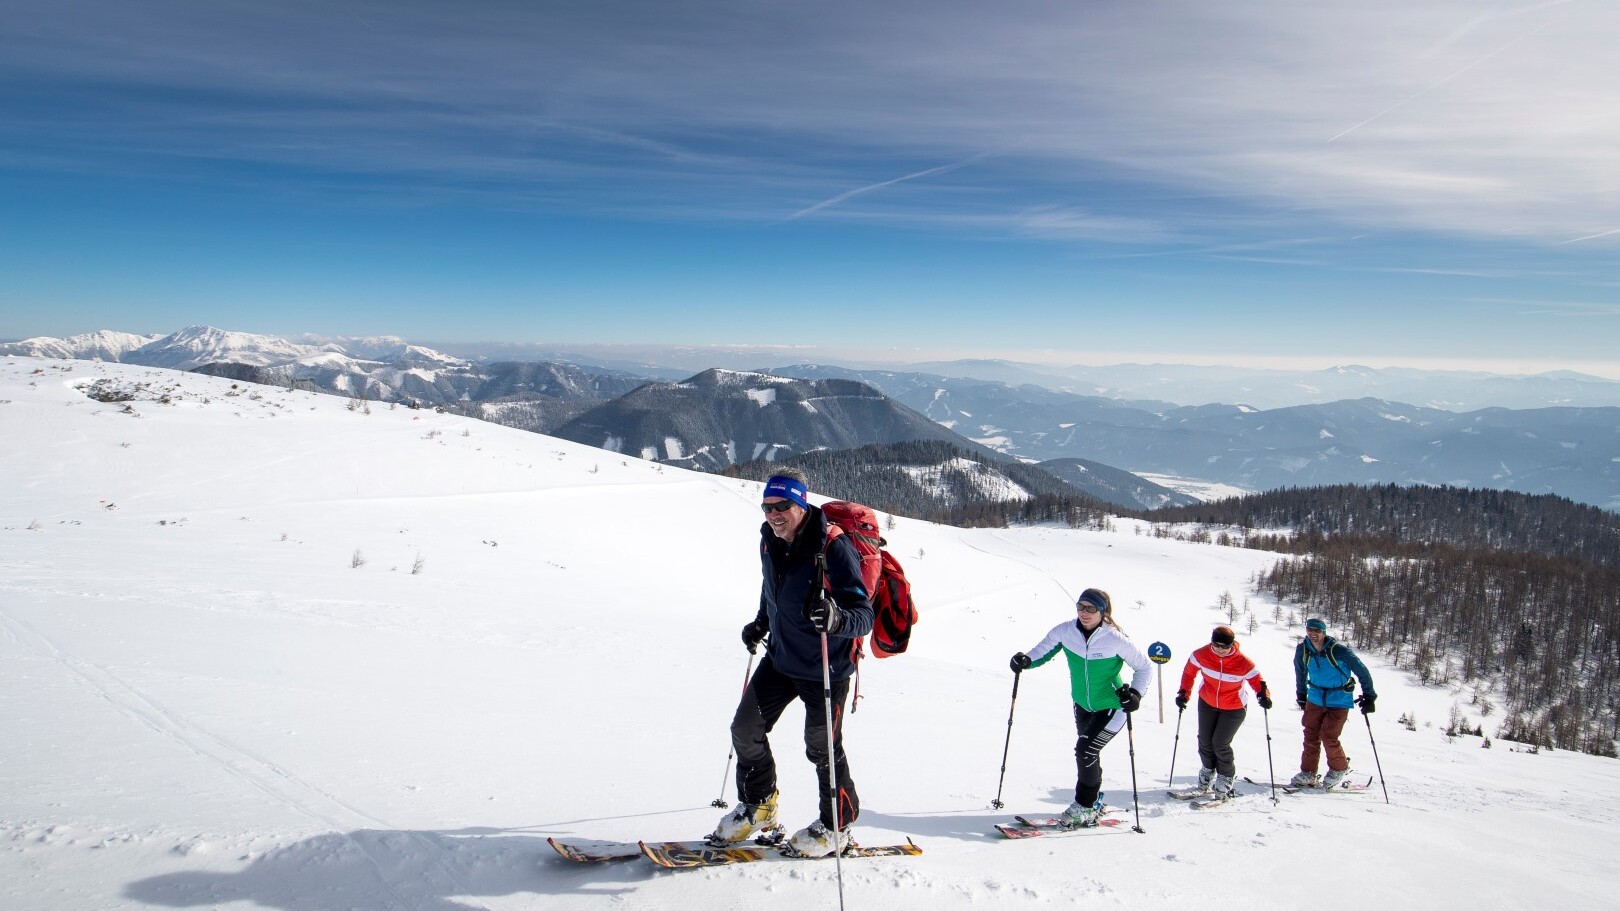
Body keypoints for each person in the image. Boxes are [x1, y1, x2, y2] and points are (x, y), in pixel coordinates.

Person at [711, 469, 875, 857]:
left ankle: (838, 826)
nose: (774, 514)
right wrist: (761, 623)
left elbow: (862, 613)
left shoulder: (832, 546)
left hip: (825, 666)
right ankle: (760, 806)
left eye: (783, 506)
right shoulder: (769, 539)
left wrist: (837, 620)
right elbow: (774, 588)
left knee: (823, 749)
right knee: (745, 728)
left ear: (802, 504)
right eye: (768, 506)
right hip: (782, 658)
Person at [1009, 588, 1152, 827]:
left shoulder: (1114, 639)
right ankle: (1093, 801)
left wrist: (1135, 695)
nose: (1084, 613)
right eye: (1080, 607)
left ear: (1102, 612)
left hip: (1112, 706)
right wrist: (1025, 660)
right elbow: (1042, 650)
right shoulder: (1066, 631)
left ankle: (1085, 805)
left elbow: (1144, 668)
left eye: (1091, 608)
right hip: (1082, 705)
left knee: (1085, 750)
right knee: (1088, 752)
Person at [1175, 625, 1272, 799]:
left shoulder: (1243, 662)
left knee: (1220, 743)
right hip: (1207, 701)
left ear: (1232, 645)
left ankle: (1225, 777)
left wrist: (1263, 696)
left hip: (1234, 707)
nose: (1220, 649)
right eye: (1217, 645)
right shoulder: (1200, 655)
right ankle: (1207, 771)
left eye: (1225, 646)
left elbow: (1258, 682)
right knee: (1204, 741)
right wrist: (1184, 693)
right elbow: (1189, 674)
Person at [1291, 617, 1377, 789]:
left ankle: (1339, 768)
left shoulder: (1339, 651)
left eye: (1318, 631)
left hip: (1339, 699)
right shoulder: (1303, 650)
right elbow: (1300, 671)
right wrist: (1301, 693)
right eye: (1310, 630)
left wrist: (1369, 696)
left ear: (1324, 632)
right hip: (1315, 697)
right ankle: (1308, 773)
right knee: (1310, 734)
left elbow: (1362, 670)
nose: (1313, 634)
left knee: (1329, 735)